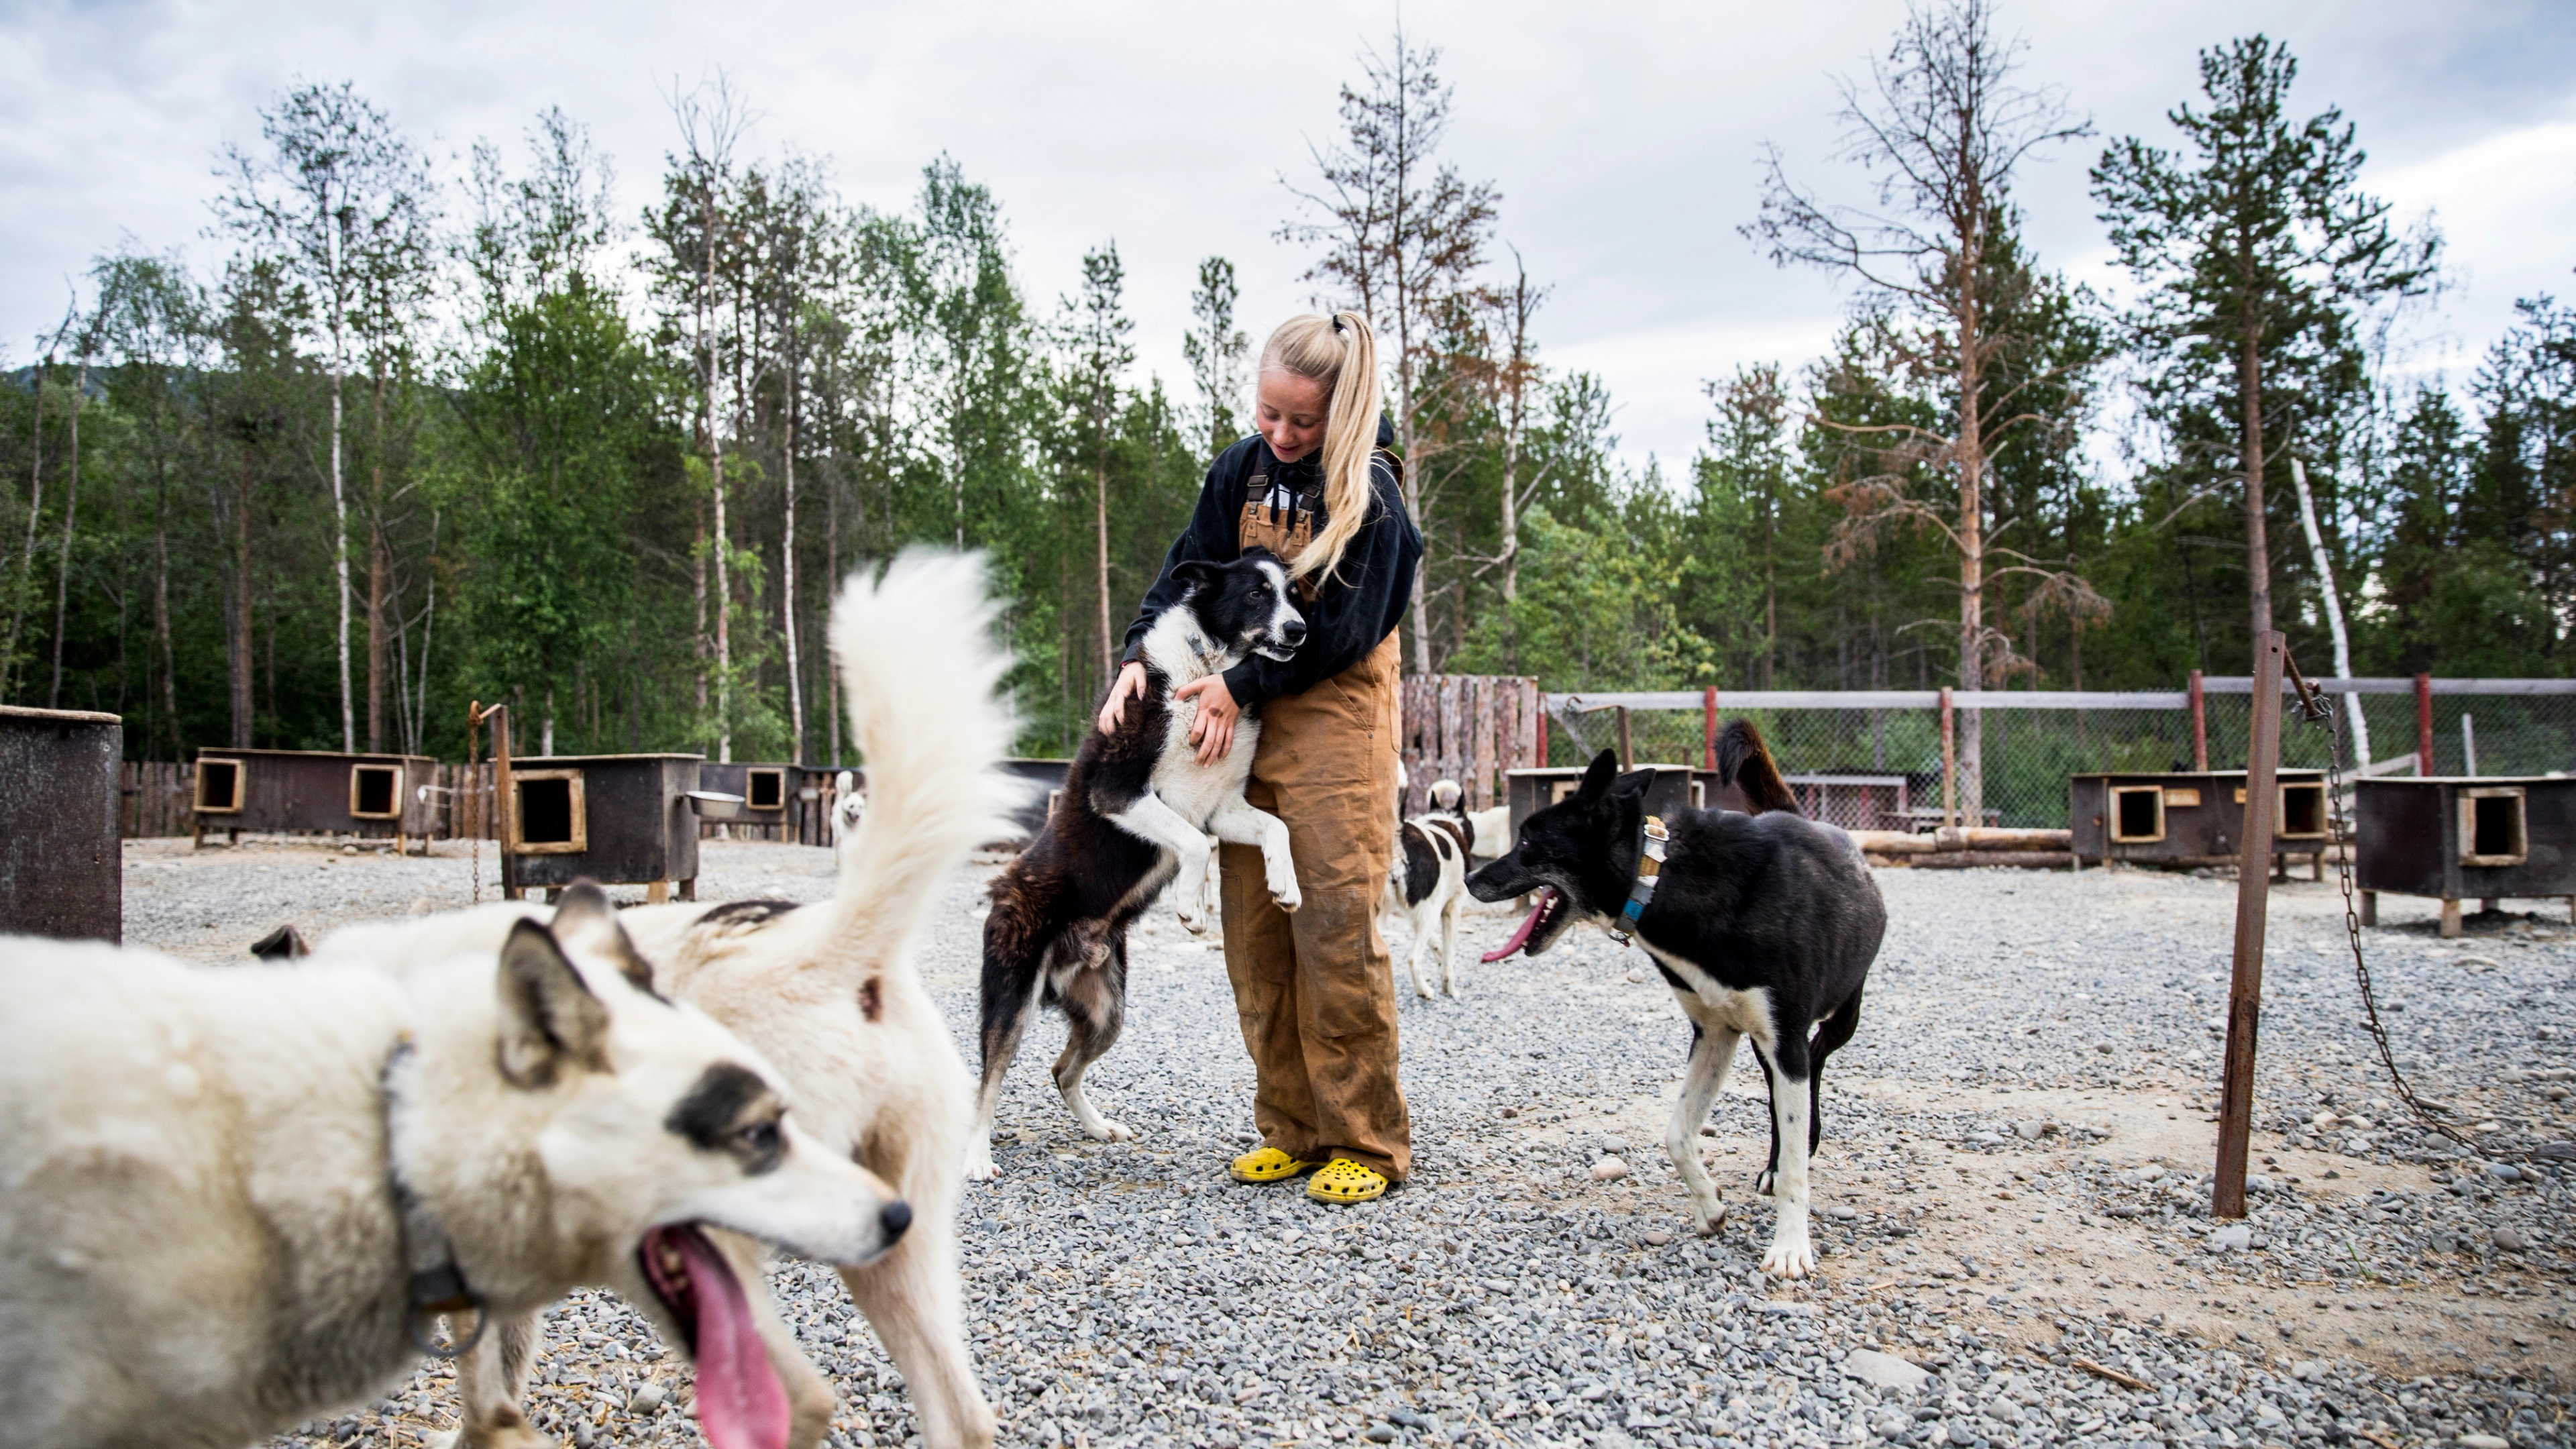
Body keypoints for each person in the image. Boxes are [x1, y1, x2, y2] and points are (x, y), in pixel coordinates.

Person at [1098, 311, 1422, 1204]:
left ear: (1345, 412)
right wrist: (1135, 655)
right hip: (1235, 706)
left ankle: (1364, 1138)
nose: (1280, 436)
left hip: (1329, 712)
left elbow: (1351, 629)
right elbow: (1184, 569)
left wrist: (1242, 689)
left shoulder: (1375, 497)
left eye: (1302, 422)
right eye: (1269, 414)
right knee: (1255, 929)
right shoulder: (1239, 469)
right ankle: (1292, 1126)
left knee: (1330, 925)